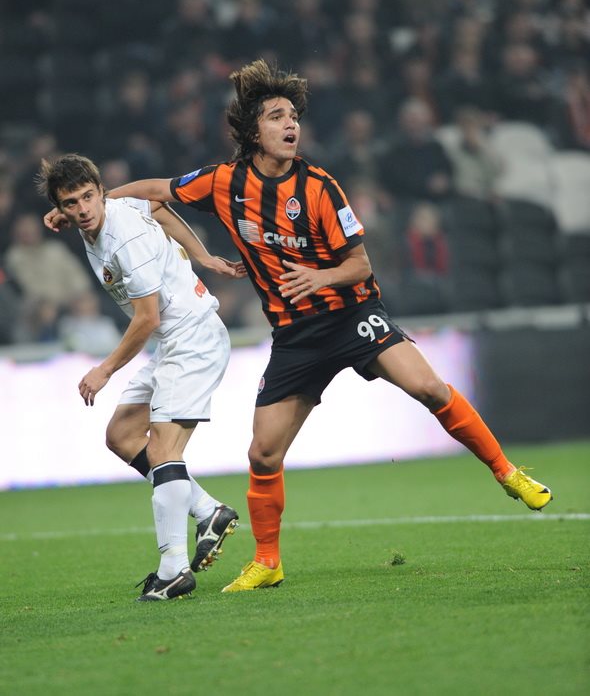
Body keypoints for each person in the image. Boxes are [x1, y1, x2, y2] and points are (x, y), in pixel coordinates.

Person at [49, 60, 553, 594]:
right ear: (253, 132)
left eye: (293, 116)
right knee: (262, 453)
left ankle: (507, 472)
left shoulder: (319, 187)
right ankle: (268, 562)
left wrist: (320, 276)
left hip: (351, 315)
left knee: (428, 387)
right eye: (276, 116)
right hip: (295, 338)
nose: (291, 124)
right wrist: (94, 205)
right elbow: (155, 190)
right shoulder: (225, 182)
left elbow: (360, 265)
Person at [38, 153, 245, 601]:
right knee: (122, 435)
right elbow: (156, 206)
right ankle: (207, 510)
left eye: (88, 197)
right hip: (174, 342)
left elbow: (147, 318)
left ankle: (173, 570)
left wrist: (105, 369)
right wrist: (202, 256)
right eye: (71, 203)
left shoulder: (123, 239)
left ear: (100, 191)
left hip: (192, 338)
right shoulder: (114, 208)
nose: (83, 209)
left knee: (164, 451)